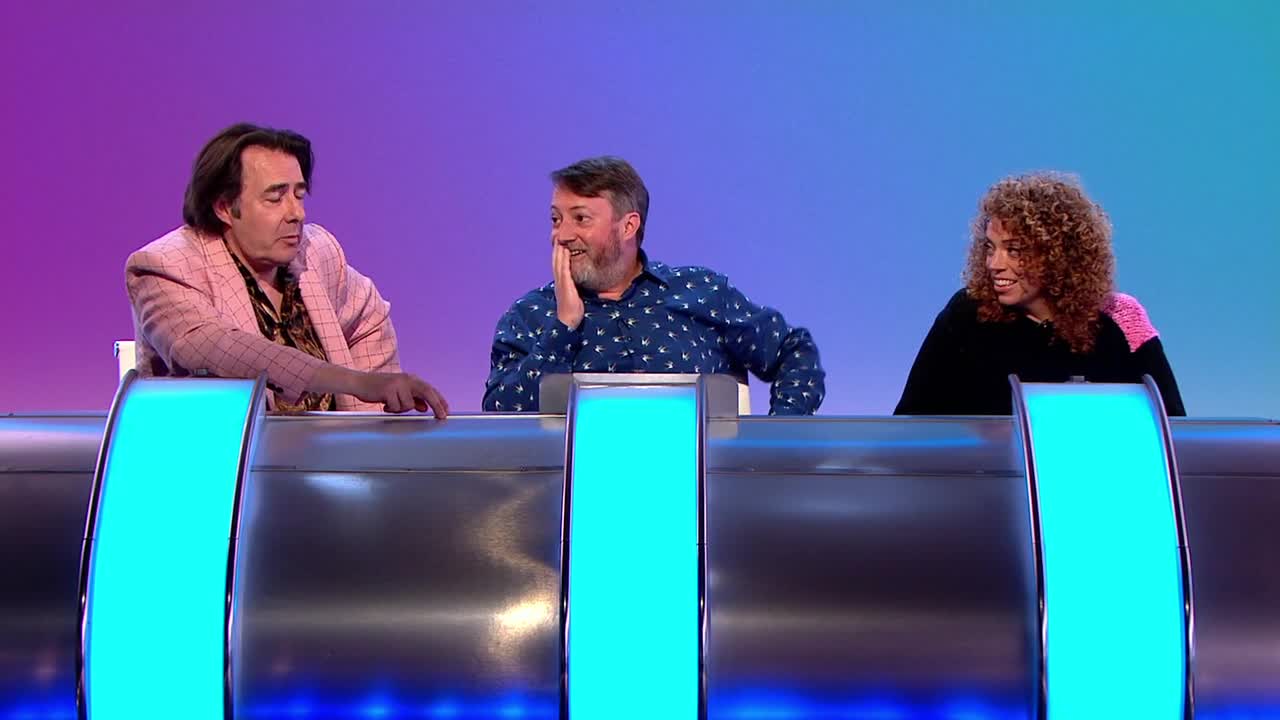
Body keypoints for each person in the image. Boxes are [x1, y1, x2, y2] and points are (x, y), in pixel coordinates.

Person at [126, 123, 448, 415]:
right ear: (224, 207)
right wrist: (356, 382)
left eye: (299, 195)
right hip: (219, 455)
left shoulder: (316, 251)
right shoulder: (165, 265)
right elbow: (218, 348)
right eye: (275, 198)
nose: (297, 213)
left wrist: (365, 427)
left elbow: (368, 318)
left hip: (325, 455)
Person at [483, 156, 824, 414]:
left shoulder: (700, 292)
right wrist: (563, 326)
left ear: (628, 226)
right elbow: (500, 414)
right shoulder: (531, 314)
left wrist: (774, 443)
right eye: (556, 219)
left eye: (580, 218)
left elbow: (792, 351)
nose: (562, 235)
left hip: (701, 485)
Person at [895, 172, 1184, 416]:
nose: (994, 264)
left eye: (1014, 250)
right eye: (990, 248)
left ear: (1057, 255)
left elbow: (1174, 433)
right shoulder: (966, 315)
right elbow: (911, 427)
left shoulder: (1121, 319)